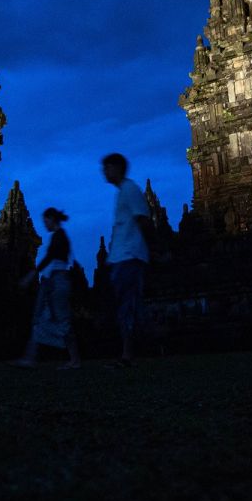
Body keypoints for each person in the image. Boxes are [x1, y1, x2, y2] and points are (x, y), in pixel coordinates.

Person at [102, 153, 155, 368]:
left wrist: (153, 248)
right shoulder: (122, 192)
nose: (104, 172)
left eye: (107, 167)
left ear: (116, 168)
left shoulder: (130, 189)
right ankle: (131, 351)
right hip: (121, 257)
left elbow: (143, 219)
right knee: (124, 306)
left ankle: (128, 355)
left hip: (130, 256)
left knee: (127, 306)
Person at [11, 207, 81, 370]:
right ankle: (30, 357)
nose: (45, 224)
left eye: (45, 221)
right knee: (40, 317)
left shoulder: (59, 236)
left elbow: (50, 257)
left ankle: (74, 360)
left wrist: (31, 275)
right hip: (53, 280)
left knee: (60, 320)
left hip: (57, 281)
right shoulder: (58, 236)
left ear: (52, 219)